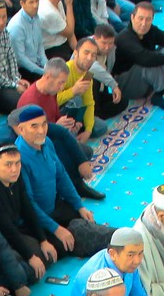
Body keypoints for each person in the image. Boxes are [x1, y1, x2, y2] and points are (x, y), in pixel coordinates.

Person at [15, 105, 111, 257]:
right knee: (66, 243)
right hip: (34, 220)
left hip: (54, 206)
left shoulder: (46, 143)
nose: (41, 130)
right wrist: (56, 229)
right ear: (21, 129)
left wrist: (79, 205)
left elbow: (61, 176)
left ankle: (120, 241)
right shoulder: (18, 159)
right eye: (34, 126)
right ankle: (118, 244)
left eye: (44, 124)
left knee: (85, 223)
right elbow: (28, 204)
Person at [0, 142, 56, 278]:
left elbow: (27, 208)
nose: (14, 169)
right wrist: (30, 256)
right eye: (8, 164)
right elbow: (6, 228)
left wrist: (43, 239)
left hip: (17, 226)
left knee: (55, 247)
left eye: (17, 163)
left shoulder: (14, 177)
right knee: (35, 268)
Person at [112, 2, 164, 109]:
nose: (143, 23)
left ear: (152, 19)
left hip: (144, 79)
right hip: (125, 84)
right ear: (132, 17)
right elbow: (144, 59)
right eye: (140, 18)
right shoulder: (124, 37)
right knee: (147, 62)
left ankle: (159, 93)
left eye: (148, 19)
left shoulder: (151, 30)